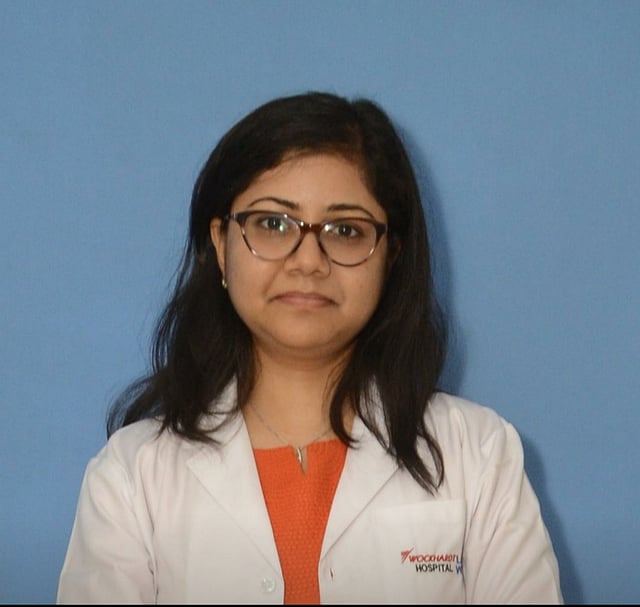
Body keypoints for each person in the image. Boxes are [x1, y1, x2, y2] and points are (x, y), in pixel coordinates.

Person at [56, 91, 563, 604]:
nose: (308, 261)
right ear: (222, 245)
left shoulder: (478, 455)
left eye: (345, 230)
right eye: (273, 224)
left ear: (390, 257)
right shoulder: (133, 475)